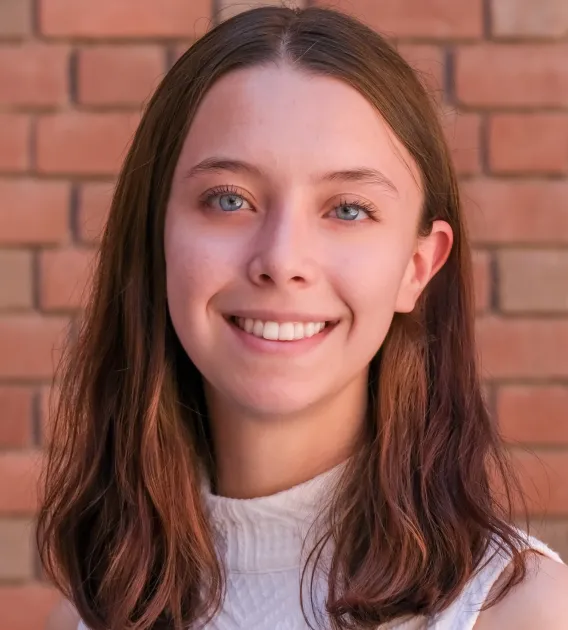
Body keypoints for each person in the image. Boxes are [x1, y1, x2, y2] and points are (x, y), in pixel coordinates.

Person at [39, 6, 568, 630]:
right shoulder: (91, 613)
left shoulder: (520, 611)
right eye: (229, 199)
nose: (282, 260)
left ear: (419, 266)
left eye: (347, 209)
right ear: (154, 239)